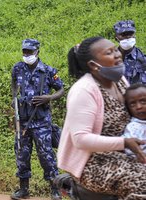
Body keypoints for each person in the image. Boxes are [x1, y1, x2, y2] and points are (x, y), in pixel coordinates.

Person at [57, 36, 146, 199]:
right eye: (109, 52)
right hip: (94, 162)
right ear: (93, 65)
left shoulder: (119, 81)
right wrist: (124, 143)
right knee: (142, 181)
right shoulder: (84, 90)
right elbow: (80, 139)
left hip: (125, 152)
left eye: (115, 49)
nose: (118, 54)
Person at [11, 39, 64, 200]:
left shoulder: (47, 71)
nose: (27, 55)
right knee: (22, 154)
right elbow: (13, 84)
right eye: (24, 52)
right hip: (23, 120)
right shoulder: (17, 68)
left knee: (46, 155)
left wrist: (48, 98)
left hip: (41, 121)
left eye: (30, 52)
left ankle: (55, 190)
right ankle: (23, 189)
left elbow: (61, 89)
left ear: (37, 52)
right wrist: (14, 100)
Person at [113, 20, 146, 84]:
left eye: (130, 34)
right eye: (123, 34)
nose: (127, 37)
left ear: (134, 35)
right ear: (116, 38)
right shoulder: (110, 59)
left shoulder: (143, 60)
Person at [122, 83, 146, 156]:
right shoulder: (133, 128)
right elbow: (130, 151)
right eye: (132, 104)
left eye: (143, 101)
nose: (138, 107)